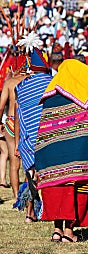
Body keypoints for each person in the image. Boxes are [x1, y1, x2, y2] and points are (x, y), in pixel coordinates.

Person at [35, 58, 88, 242]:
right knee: (76, 191)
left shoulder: (49, 100)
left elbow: (44, 128)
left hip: (52, 157)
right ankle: (69, 231)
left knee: (57, 189)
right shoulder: (85, 99)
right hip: (79, 156)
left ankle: (57, 230)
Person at [13, 33, 53, 223]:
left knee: (31, 176)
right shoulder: (51, 83)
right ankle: (45, 209)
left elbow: (19, 116)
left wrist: (18, 142)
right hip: (47, 136)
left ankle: (30, 213)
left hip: (28, 137)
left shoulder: (21, 87)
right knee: (46, 175)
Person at [0, 52, 26, 202]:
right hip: (27, 121)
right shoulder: (30, 80)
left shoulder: (9, 83)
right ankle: (30, 196)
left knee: (13, 160)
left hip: (10, 122)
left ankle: (17, 196)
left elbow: (1, 105)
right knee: (30, 162)